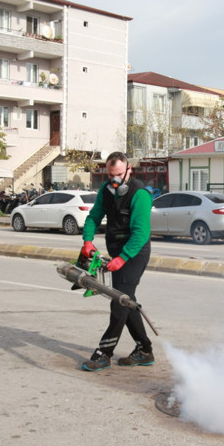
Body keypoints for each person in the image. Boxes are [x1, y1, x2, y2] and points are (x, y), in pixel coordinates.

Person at [80, 152, 154, 371]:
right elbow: (94, 217)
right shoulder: (106, 190)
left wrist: (122, 259)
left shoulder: (140, 194)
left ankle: (104, 353)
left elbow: (141, 234)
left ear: (129, 170)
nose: (115, 180)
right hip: (118, 251)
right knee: (127, 299)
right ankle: (144, 349)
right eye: (111, 175)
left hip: (135, 252)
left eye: (119, 175)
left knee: (119, 301)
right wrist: (87, 241)